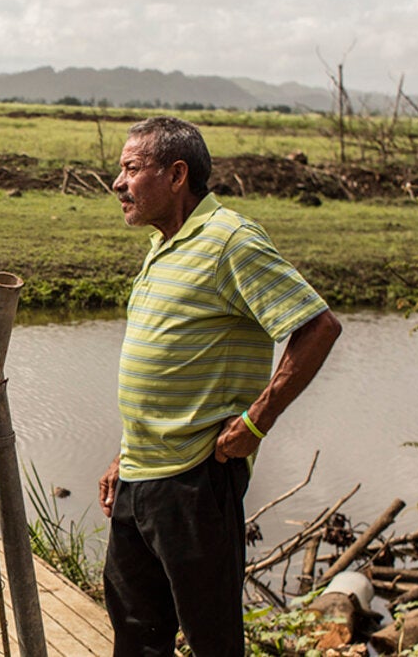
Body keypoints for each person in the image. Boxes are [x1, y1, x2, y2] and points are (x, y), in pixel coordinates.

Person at [97, 117, 342, 656]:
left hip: (196, 480)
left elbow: (318, 327)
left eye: (131, 169)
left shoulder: (230, 240)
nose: (118, 183)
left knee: (212, 642)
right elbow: (169, 367)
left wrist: (257, 421)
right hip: (139, 478)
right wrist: (124, 454)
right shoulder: (164, 244)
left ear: (176, 175)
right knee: (136, 635)